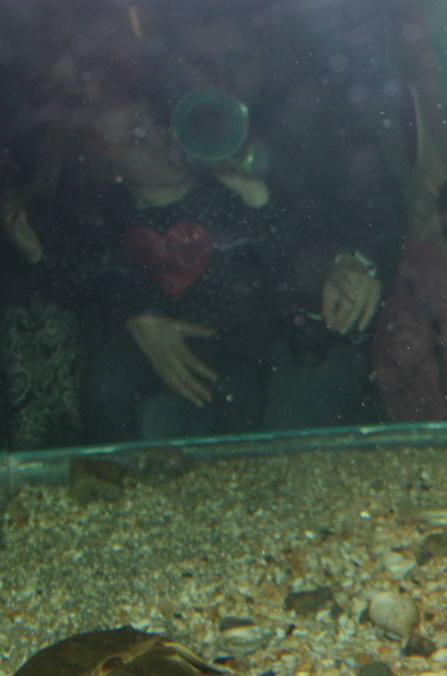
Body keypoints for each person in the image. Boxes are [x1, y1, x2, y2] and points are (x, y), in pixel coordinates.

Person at [26, 92, 383, 440]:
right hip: (158, 354)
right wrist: (134, 313)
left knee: (238, 394)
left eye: (155, 123)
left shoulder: (223, 191)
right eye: (135, 137)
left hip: (241, 349)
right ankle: (114, 474)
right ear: (109, 169)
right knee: (107, 382)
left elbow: (286, 261)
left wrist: (257, 197)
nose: (159, 138)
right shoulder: (112, 217)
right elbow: (89, 278)